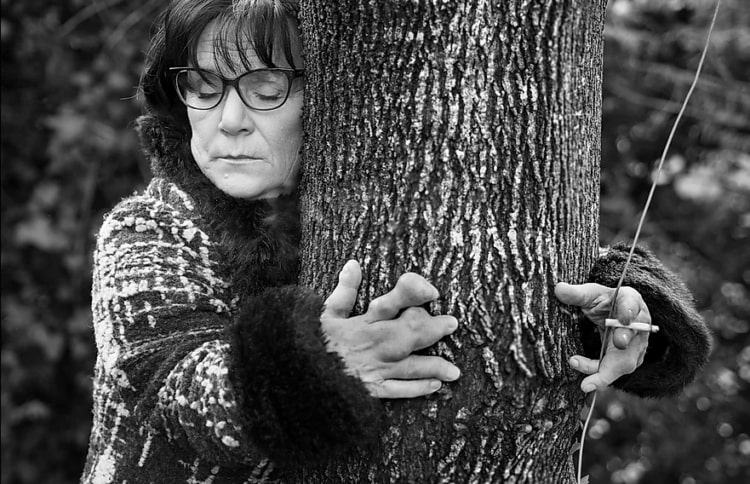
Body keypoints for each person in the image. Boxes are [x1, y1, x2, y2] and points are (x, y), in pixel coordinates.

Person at [81, 0, 711, 482]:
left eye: (267, 87)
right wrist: (312, 367)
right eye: (203, 85)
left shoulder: (386, 201)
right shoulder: (149, 227)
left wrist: (628, 307)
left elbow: (520, 271)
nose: (230, 118)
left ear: (330, 97)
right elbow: (175, 392)